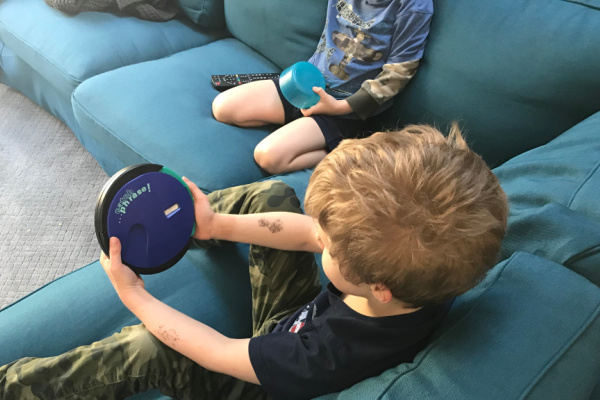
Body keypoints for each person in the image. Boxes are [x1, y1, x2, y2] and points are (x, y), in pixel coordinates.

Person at [0, 123, 508, 400]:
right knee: (274, 194)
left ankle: (15, 387)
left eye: (328, 246)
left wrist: (134, 295)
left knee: (149, 348)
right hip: (298, 320)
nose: (318, 240)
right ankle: (190, 229)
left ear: (379, 288)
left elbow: (219, 351)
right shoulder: (428, 269)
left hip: (254, 380)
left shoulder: (326, 355)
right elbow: (310, 233)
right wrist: (216, 226)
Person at [212, 0, 434, 174]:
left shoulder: (414, 6)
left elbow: (400, 70)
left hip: (347, 111)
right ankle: (301, 127)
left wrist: (342, 107)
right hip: (307, 83)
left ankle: (348, 152)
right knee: (223, 107)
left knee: (268, 157)